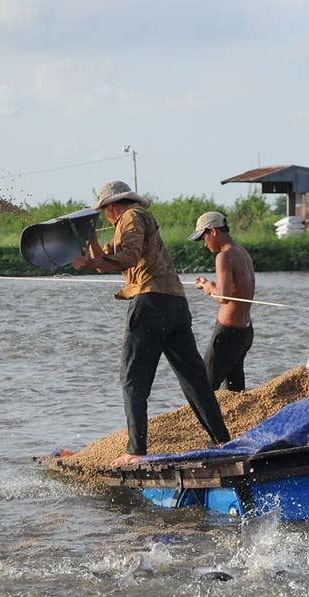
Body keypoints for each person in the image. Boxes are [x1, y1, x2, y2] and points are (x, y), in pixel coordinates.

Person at [71, 180, 230, 468]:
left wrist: (90, 262)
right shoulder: (136, 220)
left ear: (113, 206)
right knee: (194, 379)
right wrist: (91, 242)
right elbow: (106, 262)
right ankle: (223, 441)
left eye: (105, 210)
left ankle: (136, 450)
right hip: (175, 304)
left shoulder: (130, 217)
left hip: (150, 304)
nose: (106, 216)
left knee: (133, 379)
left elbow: (127, 258)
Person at [189, 211, 256, 392]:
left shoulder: (224, 256)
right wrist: (210, 285)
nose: (205, 244)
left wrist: (207, 286)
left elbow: (223, 297)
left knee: (203, 388)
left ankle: (201, 413)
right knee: (236, 391)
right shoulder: (242, 252)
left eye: (204, 238)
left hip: (228, 333)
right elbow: (234, 290)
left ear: (213, 231)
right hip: (245, 332)